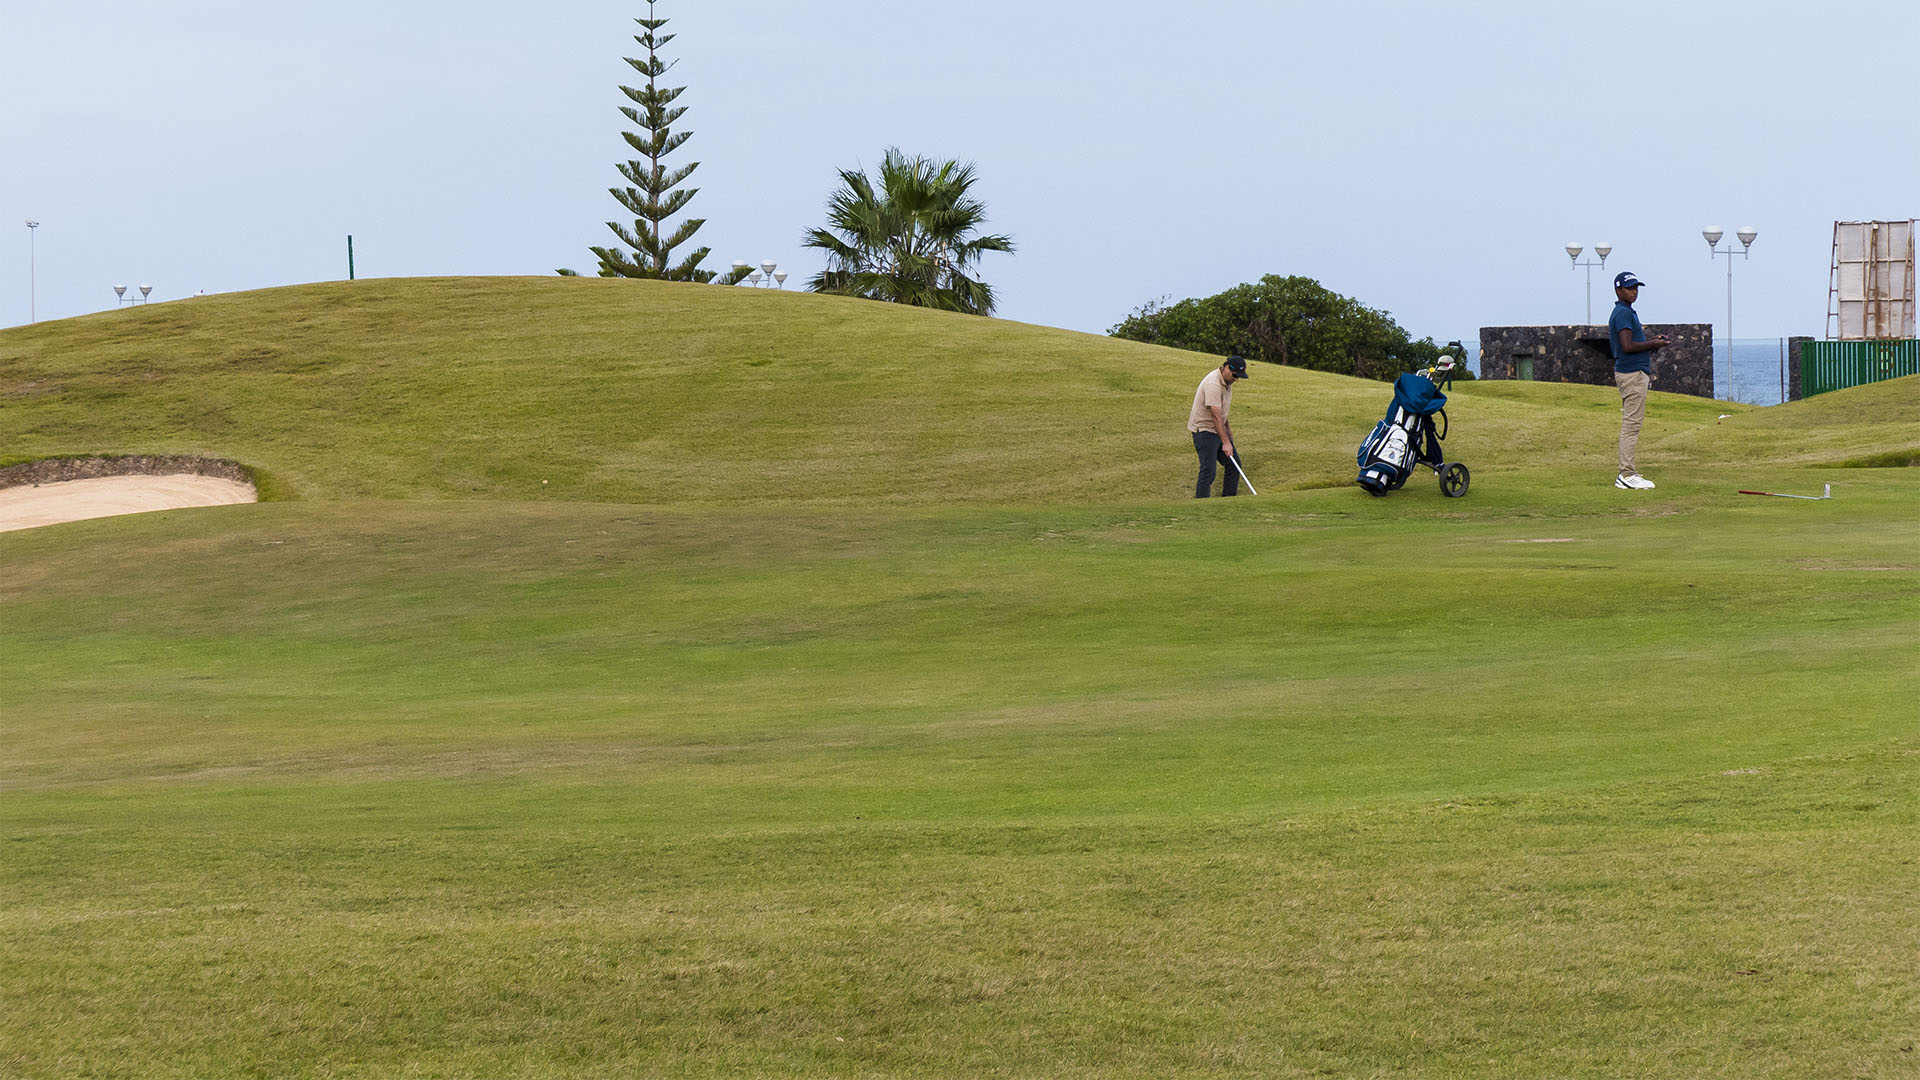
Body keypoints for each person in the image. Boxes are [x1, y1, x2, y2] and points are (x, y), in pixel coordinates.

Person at [1608, 271, 1667, 490]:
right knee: (1631, 425)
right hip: (1631, 373)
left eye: (1636, 288)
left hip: (1634, 372)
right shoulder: (1622, 313)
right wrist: (1653, 344)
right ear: (1618, 290)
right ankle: (1626, 474)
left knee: (1632, 424)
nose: (1634, 292)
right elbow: (1627, 346)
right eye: (1629, 288)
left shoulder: (1627, 312)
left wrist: (1653, 341)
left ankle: (1627, 472)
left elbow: (1632, 343)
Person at [1186, 355, 1249, 498]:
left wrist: (1228, 432)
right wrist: (1226, 442)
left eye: (1238, 377)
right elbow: (1215, 415)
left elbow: (1222, 413)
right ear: (1226, 367)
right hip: (1204, 431)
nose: (1235, 379)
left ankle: (1228, 501)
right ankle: (1201, 505)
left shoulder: (1227, 382)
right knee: (1208, 471)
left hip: (1218, 429)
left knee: (1234, 465)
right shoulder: (1213, 384)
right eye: (1234, 375)